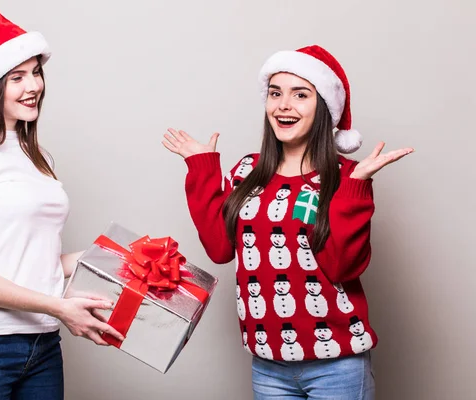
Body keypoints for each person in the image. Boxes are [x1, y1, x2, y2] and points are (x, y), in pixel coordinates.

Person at [162, 45, 413, 399]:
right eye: (275, 93)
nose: (283, 105)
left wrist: (356, 188)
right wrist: (203, 169)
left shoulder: (345, 178)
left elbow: (343, 266)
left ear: (323, 107)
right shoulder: (246, 171)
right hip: (268, 365)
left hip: (337, 365)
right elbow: (220, 249)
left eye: (300, 95)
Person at [0, 7, 123, 399]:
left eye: (36, 72)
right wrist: (57, 306)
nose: (33, 85)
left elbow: (36, 260)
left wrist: (119, 257)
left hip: (43, 347)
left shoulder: (40, 159)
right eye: (17, 77)